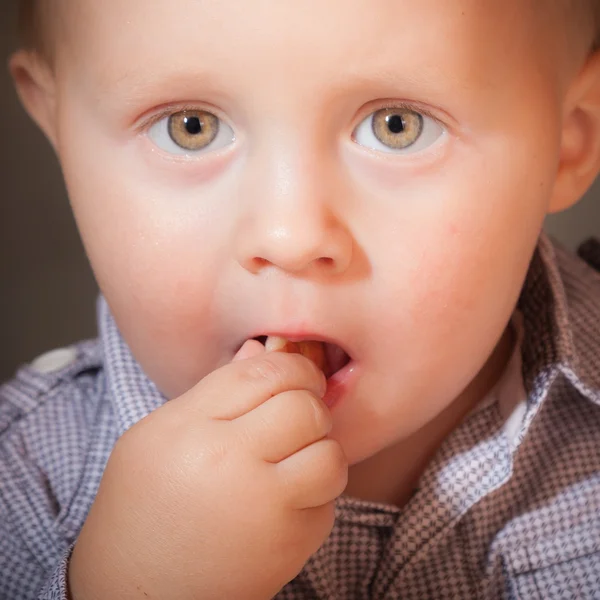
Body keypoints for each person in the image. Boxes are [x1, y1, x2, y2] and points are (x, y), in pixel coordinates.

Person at [2, 0, 600, 598]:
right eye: (190, 126)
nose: (288, 238)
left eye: (398, 125)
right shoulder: (25, 480)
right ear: (58, 124)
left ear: (570, 136)